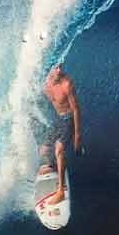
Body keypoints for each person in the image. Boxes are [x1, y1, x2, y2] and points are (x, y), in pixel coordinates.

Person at [37, 64, 83, 204]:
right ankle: (52, 165)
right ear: (50, 70)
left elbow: (76, 109)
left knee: (59, 149)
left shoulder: (67, 84)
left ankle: (61, 191)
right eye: (56, 67)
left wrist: (77, 135)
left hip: (69, 119)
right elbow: (41, 100)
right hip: (59, 120)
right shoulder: (46, 84)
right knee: (44, 149)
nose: (59, 70)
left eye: (61, 67)